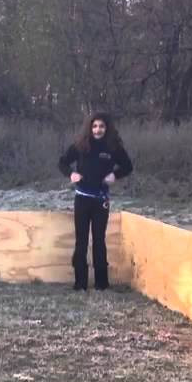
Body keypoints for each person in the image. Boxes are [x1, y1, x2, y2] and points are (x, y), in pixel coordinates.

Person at [57, 112, 133, 291]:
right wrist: (71, 174)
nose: (98, 130)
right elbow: (62, 162)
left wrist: (115, 175)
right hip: (82, 199)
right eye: (94, 126)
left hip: (101, 201)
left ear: (107, 128)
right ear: (90, 128)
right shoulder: (81, 145)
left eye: (101, 126)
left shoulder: (113, 147)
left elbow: (128, 166)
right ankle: (80, 283)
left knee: (99, 240)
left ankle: (101, 283)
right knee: (81, 240)